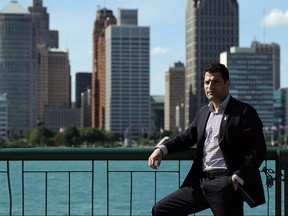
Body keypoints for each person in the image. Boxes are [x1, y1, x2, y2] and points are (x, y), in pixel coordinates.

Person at [148, 63, 267, 216]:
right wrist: (161, 149)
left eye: (216, 81)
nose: (210, 86)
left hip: (226, 183)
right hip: (200, 182)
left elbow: (257, 150)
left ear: (227, 83)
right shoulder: (203, 112)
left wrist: (237, 178)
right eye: (207, 82)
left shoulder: (244, 111)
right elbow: (186, 137)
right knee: (161, 210)